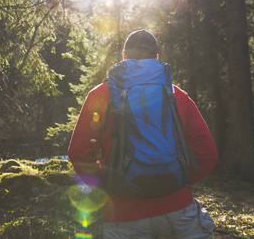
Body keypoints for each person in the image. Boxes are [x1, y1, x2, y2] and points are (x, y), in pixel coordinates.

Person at [68, 29, 219, 238]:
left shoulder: (101, 95)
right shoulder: (178, 96)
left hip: (124, 216)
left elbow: (78, 152)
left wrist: (109, 185)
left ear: (124, 56)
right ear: (156, 59)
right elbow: (208, 153)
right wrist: (176, 181)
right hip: (179, 213)